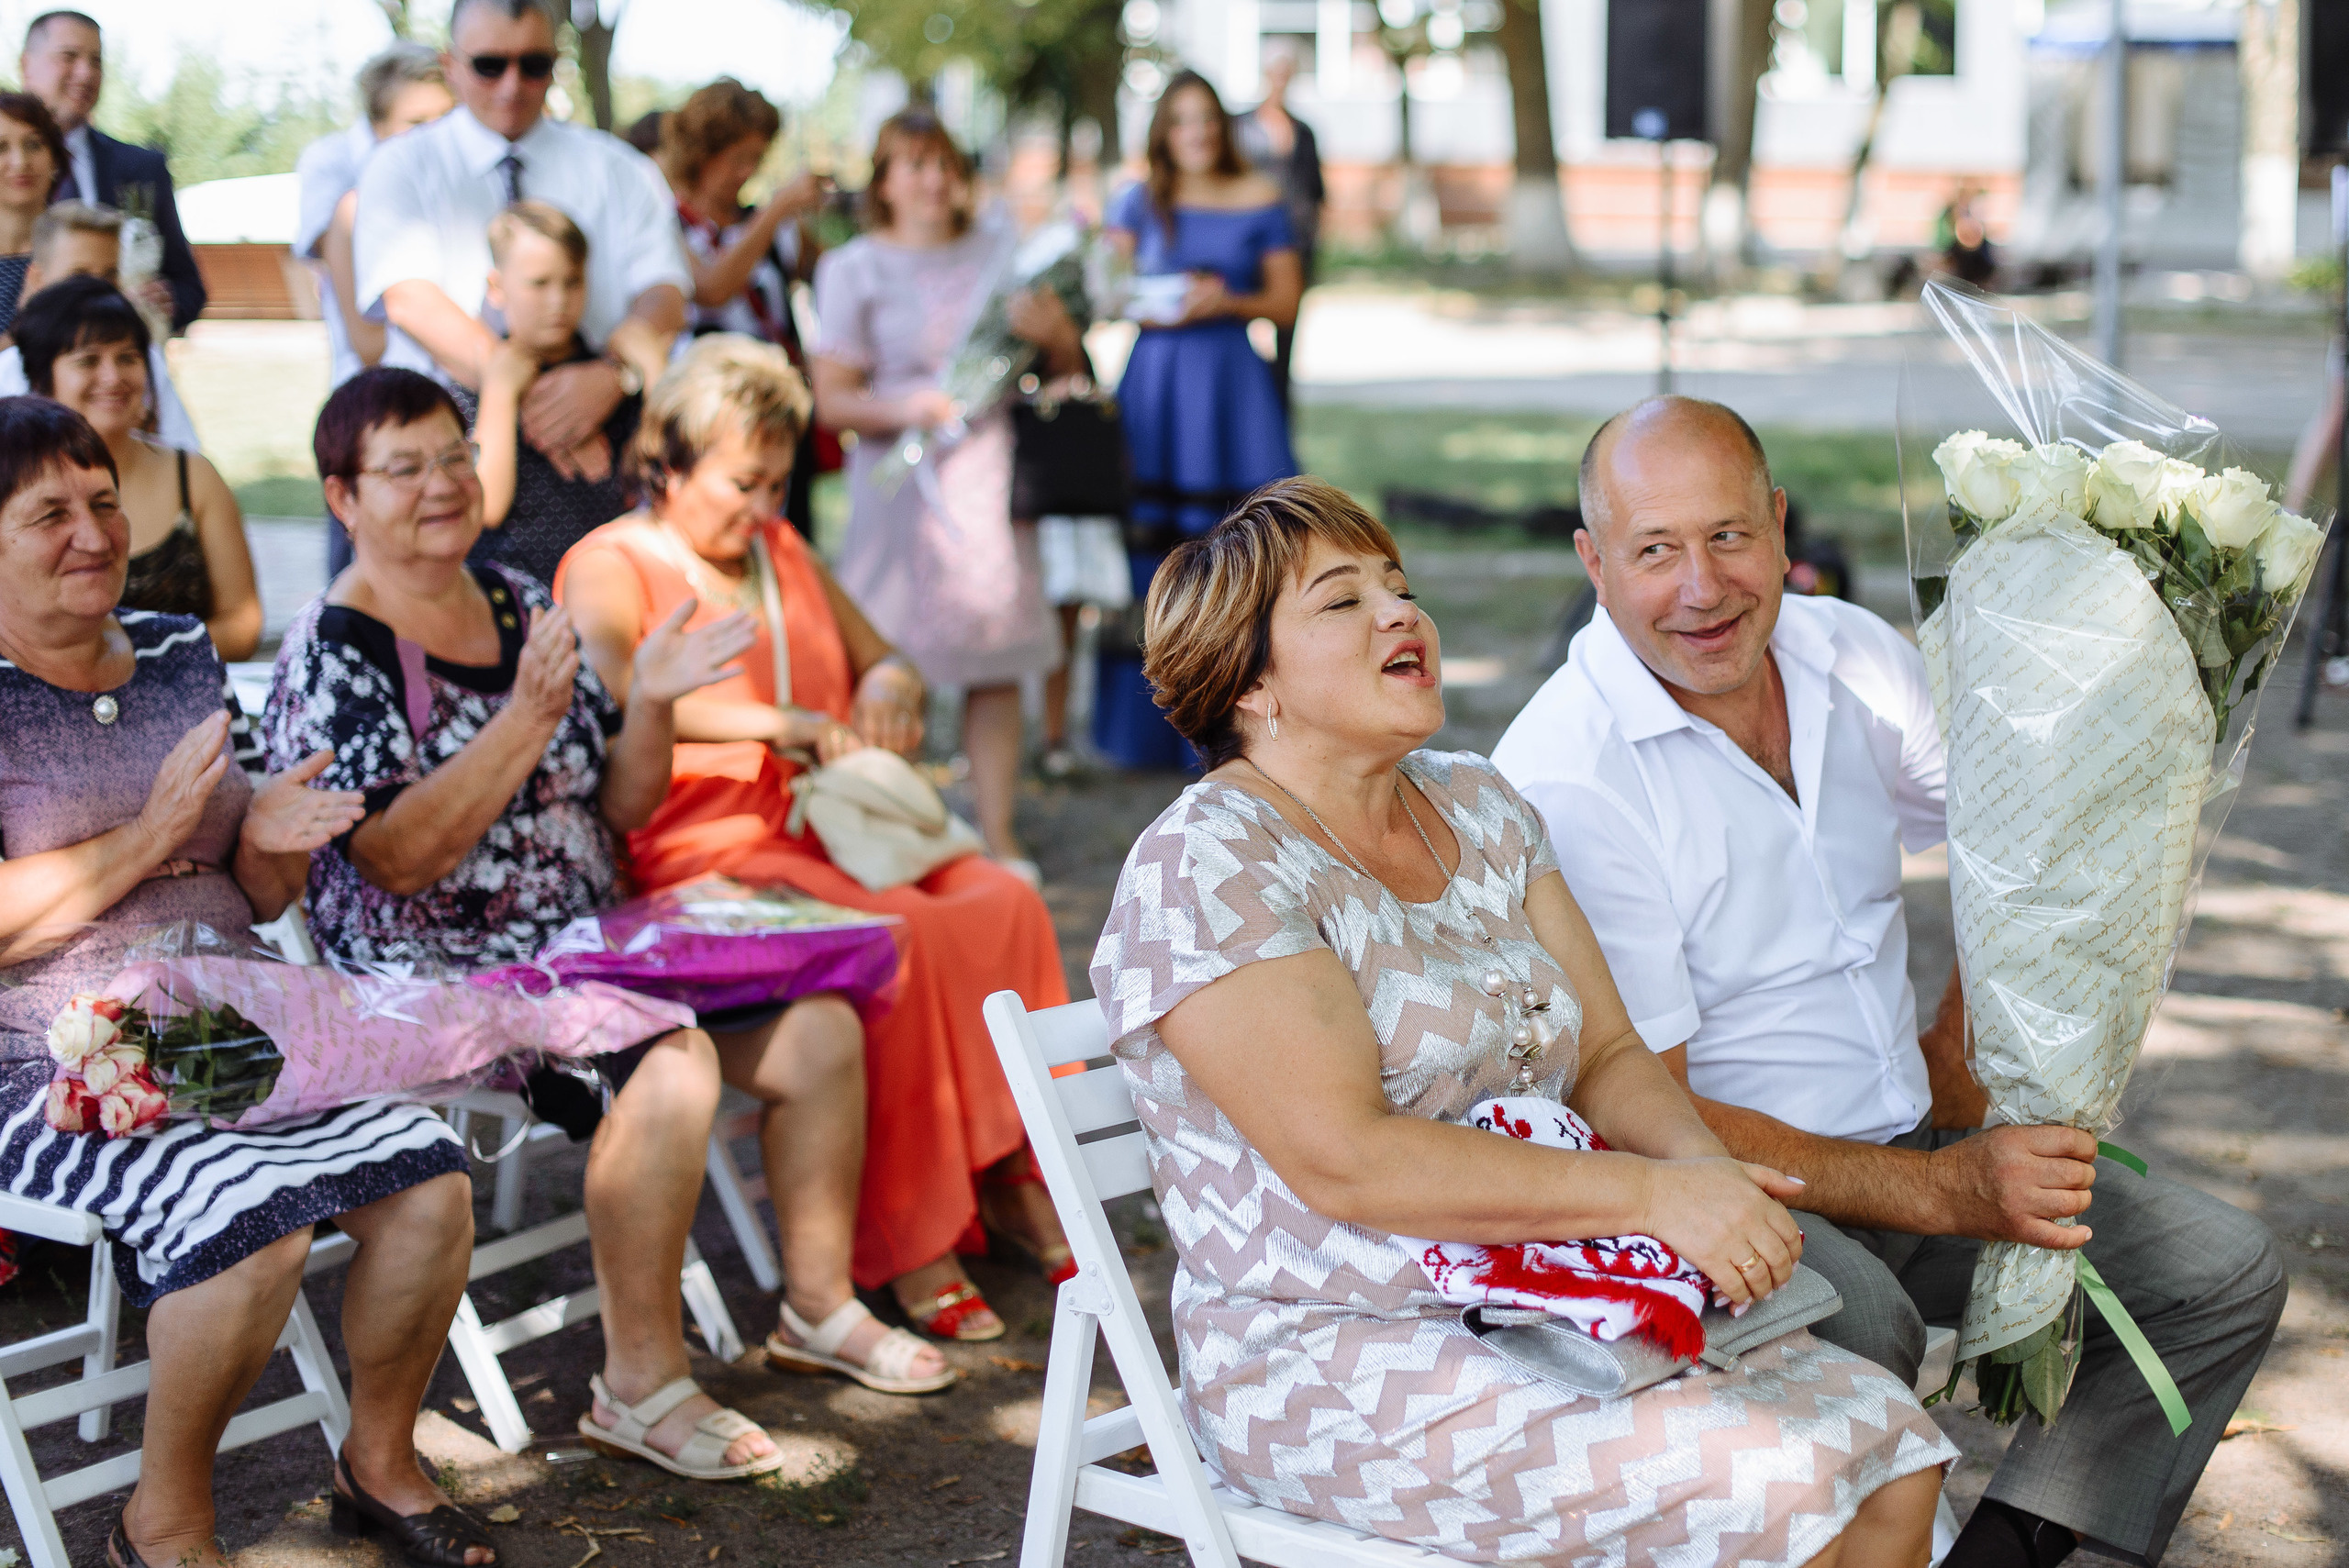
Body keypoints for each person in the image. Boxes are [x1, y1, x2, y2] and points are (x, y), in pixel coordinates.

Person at [1092, 474, 1951, 1563]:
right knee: (1778, 1487)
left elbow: (1603, 1052)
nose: (1401, 612)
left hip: (1555, 1290)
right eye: (1343, 600)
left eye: (1398, 588)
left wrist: (1706, 1180)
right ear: (1249, 680)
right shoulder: (1208, 862)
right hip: (1335, 1345)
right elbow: (1347, 1161)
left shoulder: (1478, 803)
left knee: (1893, 1454)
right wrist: (1651, 1194)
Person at [1492, 395, 2288, 1568]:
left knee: (2214, 1275)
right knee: (1860, 1319)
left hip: (1918, 1140)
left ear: (1776, 523)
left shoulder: (1845, 652)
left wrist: (1964, 1049)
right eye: (1654, 549)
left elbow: (2032, 846)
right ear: (1592, 561)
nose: (1700, 587)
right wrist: (1944, 1192)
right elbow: (1642, 1110)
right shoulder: (1569, 771)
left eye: (1727, 536)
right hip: (1727, 1188)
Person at [267, 365, 952, 1467]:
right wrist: (523, 722)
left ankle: (816, 1307)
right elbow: (394, 858)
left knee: (820, 1024)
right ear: (344, 497)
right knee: (672, 1058)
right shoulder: (337, 648)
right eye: (406, 467)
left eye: (454, 455)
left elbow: (623, 799)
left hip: (593, 946)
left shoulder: (514, 597)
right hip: (438, 972)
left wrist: (656, 702)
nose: (442, 483)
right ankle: (639, 1383)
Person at [0, 395, 495, 1568]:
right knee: (250, 1229)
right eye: (48, 513)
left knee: (430, 1185)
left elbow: (256, 897)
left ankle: (378, 1462)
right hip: (52, 1055)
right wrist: (144, 836)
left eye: (106, 500)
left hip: (240, 1022)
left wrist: (269, 832)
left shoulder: (175, 651)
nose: (93, 530)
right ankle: (160, 1520)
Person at [555, 335, 1078, 1344]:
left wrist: (885, 684)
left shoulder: (779, 550)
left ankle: (1010, 1169)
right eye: (742, 481)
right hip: (698, 852)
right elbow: (611, 696)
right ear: (668, 463)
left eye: (777, 483)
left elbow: (884, 658)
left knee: (1002, 898)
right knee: (900, 935)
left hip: (827, 824)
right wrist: (777, 723)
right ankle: (910, 1230)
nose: (760, 505)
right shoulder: (611, 562)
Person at [810, 109, 1079, 873]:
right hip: (898, 488)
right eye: (913, 164)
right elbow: (831, 400)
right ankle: (894, 831)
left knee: (994, 659)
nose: (932, 179)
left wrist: (1056, 332)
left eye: (944, 164)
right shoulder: (853, 267)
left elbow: (1058, 371)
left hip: (990, 476)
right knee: (888, 653)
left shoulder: (1004, 252)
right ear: (884, 181)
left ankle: (997, 834)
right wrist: (911, 408)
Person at [354, 0, 684, 452]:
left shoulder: (620, 169)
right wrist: (522, 397)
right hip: (446, 438)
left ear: (557, 65)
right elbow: (409, 299)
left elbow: (663, 292)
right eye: (489, 65)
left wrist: (612, 378)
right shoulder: (401, 165)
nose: (512, 85)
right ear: (450, 64)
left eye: (534, 64)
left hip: (600, 429)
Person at [1095, 71, 1300, 773]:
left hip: (1228, 382)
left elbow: (1285, 303)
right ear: (1162, 131)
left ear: (1222, 125)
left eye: (1206, 118)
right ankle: (1147, 730)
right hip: (1156, 383)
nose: (1196, 132)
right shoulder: (1136, 201)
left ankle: (1246, 725)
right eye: (1180, 120)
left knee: (1244, 546)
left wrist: (1227, 302)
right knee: (1153, 553)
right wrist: (1148, 302)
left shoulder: (1263, 199)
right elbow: (1106, 294)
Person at [17, 275, 260, 660]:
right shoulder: (13, 488)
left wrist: (139, 665)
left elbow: (243, 624)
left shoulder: (194, 478)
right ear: (42, 379)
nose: (113, 377)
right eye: (89, 360)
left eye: (127, 357)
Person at [657, 78, 829, 537]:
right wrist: (776, 212)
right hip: (712, 419)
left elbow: (825, 274)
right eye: (737, 159)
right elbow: (712, 287)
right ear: (702, 154)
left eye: (757, 158)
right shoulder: (667, 224)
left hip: (778, 413)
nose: (747, 172)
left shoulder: (770, 226)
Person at [467, 201, 645, 586]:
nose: (558, 302)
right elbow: (485, 507)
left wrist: (647, 371)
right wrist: (499, 393)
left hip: (606, 589)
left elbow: (650, 480)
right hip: (508, 595)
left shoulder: (608, 382)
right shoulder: (470, 389)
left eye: (572, 282)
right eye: (539, 283)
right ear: (496, 288)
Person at [17, 10, 206, 332]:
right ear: (26, 66)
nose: (86, 74)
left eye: (97, 61)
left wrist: (165, 301)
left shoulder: (142, 168)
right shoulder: (8, 168)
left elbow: (188, 286)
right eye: (69, 57)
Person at [297, 41, 455, 392]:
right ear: (376, 126)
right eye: (415, 122)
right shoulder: (348, 200)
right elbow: (370, 345)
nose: (431, 136)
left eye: (445, 119)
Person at [0, 203, 200, 450]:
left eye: (109, 276)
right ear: (37, 279)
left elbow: (183, 452)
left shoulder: (146, 363)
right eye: (79, 276)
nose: (95, 290)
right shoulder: (7, 376)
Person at [1232, 46, 1322, 414]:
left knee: (1287, 341)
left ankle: (1281, 413)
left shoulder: (1304, 131)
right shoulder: (1241, 126)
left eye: (1289, 72)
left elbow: (1316, 191)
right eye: (1276, 71)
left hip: (1297, 247)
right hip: (1251, 249)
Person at [0, 91, 64, 336]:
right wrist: (27, 320)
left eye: (34, 145)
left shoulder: (83, 246)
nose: (20, 162)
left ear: (55, 159)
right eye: (1, 147)